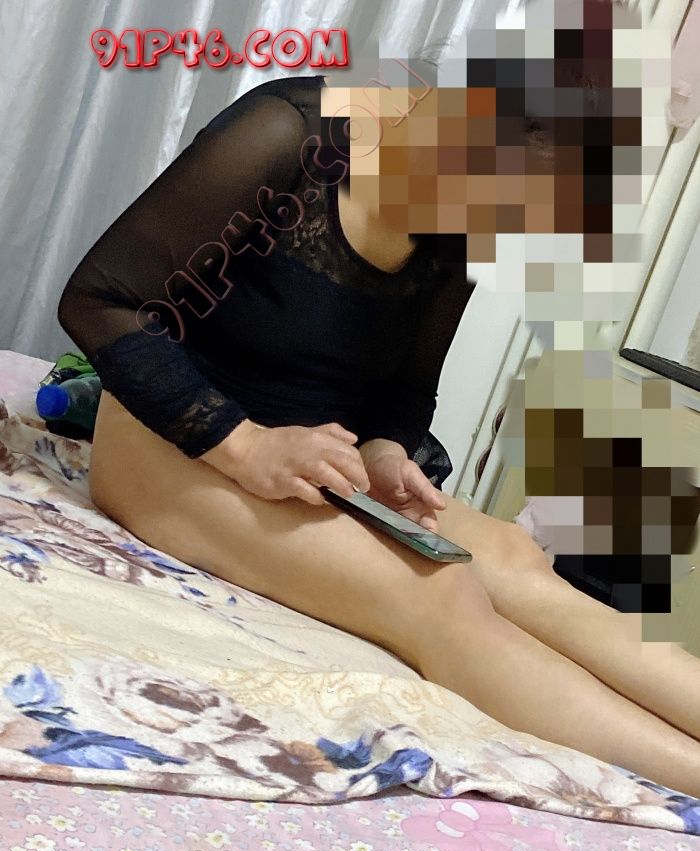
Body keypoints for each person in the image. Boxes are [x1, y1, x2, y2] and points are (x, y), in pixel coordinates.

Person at [57, 63, 700, 797]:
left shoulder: (470, 219)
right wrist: (244, 445)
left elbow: (407, 386)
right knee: (441, 597)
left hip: (314, 460)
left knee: (517, 559)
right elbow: (100, 299)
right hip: (173, 437)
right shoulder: (287, 133)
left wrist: (386, 448)